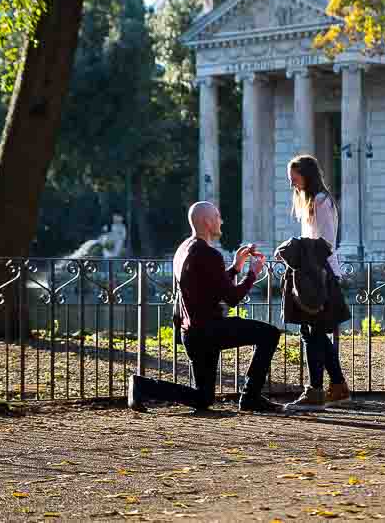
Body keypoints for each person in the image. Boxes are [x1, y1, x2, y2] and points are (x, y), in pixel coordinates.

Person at [127, 202, 283, 413]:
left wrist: (236, 267)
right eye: (217, 216)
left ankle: (141, 386)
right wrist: (252, 273)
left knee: (203, 397)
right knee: (269, 334)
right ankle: (251, 397)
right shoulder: (209, 254)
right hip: (209, 330)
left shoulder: (184, 249)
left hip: (192, 334)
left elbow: (211, 286)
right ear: (208, 222)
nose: (221, 221)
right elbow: (232, 298)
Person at [283, 154, 351, 410]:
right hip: (313, 272)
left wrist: (295, 249)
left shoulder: (321, 202)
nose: (292, 184)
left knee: (312, 333)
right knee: (314, 332)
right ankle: (337, 386)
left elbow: (325, 243)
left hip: (319, 274)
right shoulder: (310, 202)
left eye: (295, 178)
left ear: (307, 176)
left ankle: (316, 392)